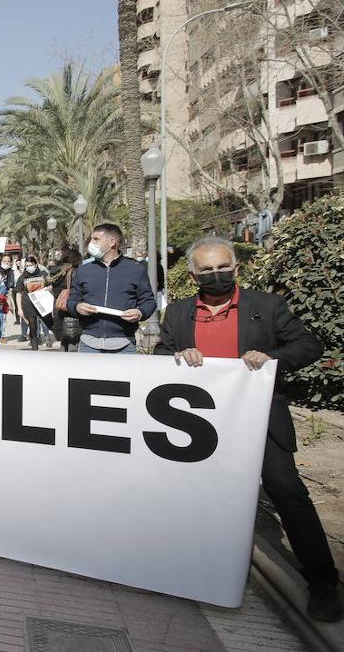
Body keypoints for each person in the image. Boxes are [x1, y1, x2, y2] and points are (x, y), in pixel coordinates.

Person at [155, 236, 341, 622]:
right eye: (206, 270)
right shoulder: (178, 313)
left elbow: (308, 345)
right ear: (193, 275)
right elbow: (160, 355)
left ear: (236, 268)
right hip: (200, 427)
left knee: (288, 493)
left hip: (260, 421)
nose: (216, 275)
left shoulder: (266, 307)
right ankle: (190, 569)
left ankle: (324, 584)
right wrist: (176, 357)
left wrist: (272, 357)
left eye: (222, 267)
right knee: (193, 497)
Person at [67, 224, 156, 354]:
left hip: (124, 345)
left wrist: (140, 313)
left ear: (112, 242)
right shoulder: (83, 270)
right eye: (92, 239)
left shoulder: (136, 270)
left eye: (96, 239)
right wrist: (77, 307)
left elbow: (149, 301)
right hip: (89, 344)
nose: (91, 243)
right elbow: (72, 300)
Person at [13, 256, 52, 351]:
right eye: (26, 266)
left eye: (30, 265)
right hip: (29, 305)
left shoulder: (43, 274)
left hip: (42, 304)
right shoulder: (22, 277)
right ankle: (35, 348)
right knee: (33, 326)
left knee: (48, 323)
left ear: (35, 264)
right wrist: (20, 309)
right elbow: (18, 293)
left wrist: (48, 288)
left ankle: (48, 338)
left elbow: (51, 285)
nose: (28, 267)